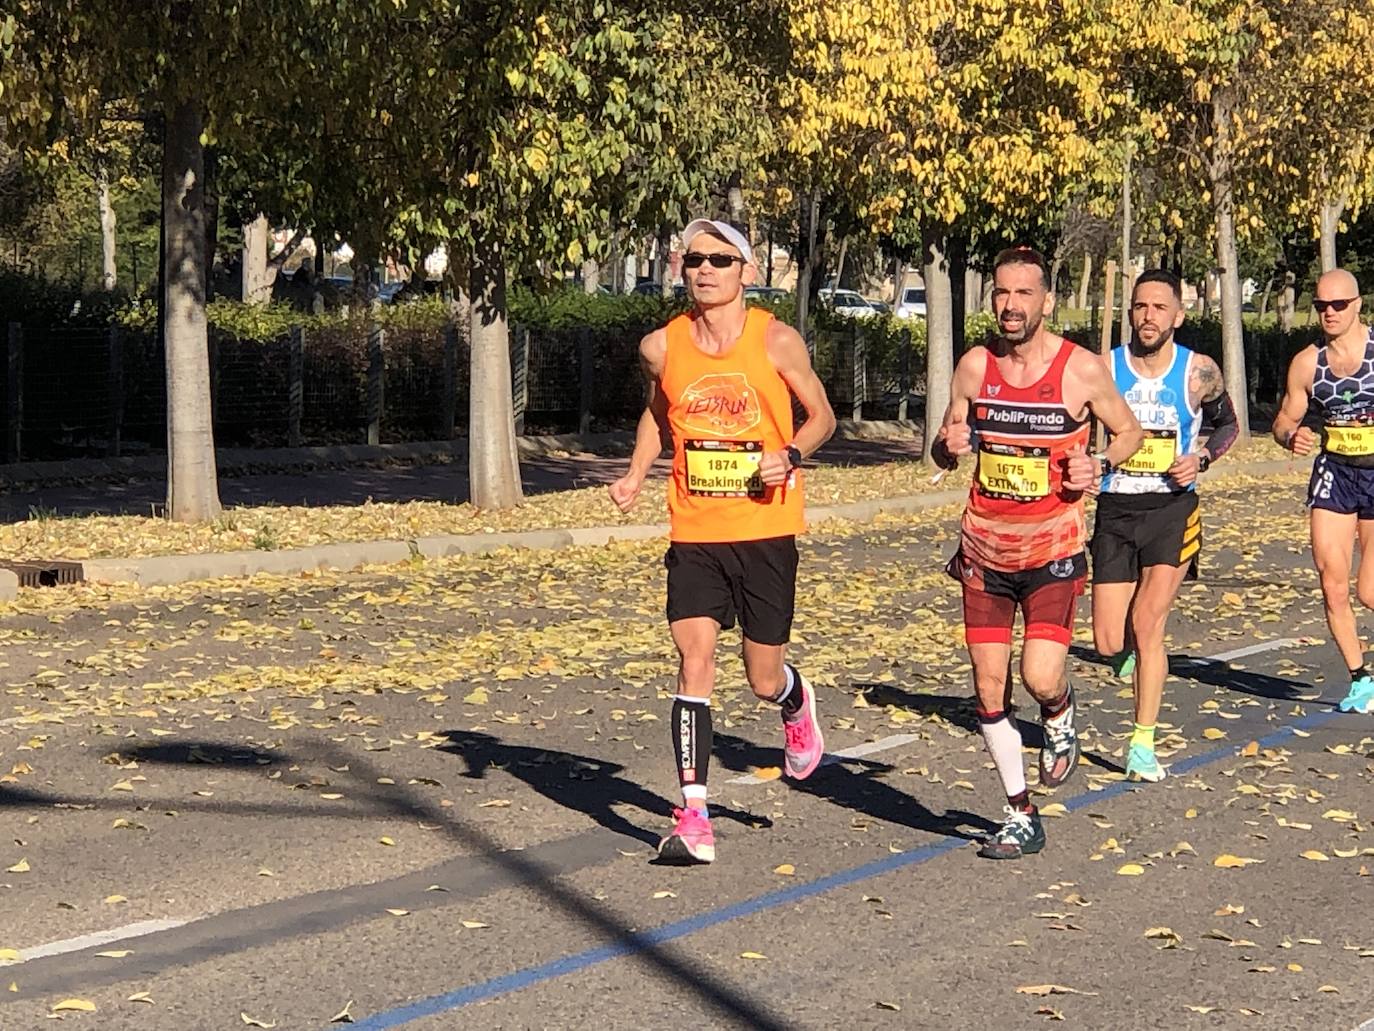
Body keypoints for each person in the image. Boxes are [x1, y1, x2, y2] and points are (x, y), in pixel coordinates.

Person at [609, 218, 837, 864]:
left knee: (761, 677)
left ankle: (795, 700)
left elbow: (823, 415)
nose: (704, 269)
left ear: (747, 271)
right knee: (694, 661)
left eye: (719, 259)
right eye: (693, 259)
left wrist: (789, 454)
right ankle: (694, 815)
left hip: (765, 529)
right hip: (696, 529)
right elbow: (660, 414)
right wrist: (633, 475)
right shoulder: (663, 346)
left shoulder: (777, 340)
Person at [932, 246, 1143, 860]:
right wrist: (949, 445)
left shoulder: (1080, 370)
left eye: (1024, 294)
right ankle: (1020, 813)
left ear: (1046, 302)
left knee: (1039, 675)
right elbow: (948, 445)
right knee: (989, 688)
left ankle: (1059, 710)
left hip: (1052, 546)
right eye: (1001, 293)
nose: (1010, 305)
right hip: (984, 550)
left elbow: (1128, 431)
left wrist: (1097, 463)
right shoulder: (975, 366)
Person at [1090, 270, 1239, 782]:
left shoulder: (1198, 370)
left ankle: (1142, 744)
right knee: (1110, 640)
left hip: (1172, 509)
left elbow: (1229, 425)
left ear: (1177, 315)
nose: (1147, 316)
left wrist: (1200, 457)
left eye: (1158, 307)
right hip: (1116, 508)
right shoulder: (1104, 368)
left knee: (1148, 622)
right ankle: (1129, 659)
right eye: (1139, 306)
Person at [1273, 268, 1374, 712]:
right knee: (1332, 585)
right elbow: (1283, 421)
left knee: (1369, 592)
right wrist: (1289, 436)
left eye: (1338, 305)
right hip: (1335, 473)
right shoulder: (1308, 363)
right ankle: (1360, 679)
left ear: (1358, 306)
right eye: (1320, 306)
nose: (1329, 313)